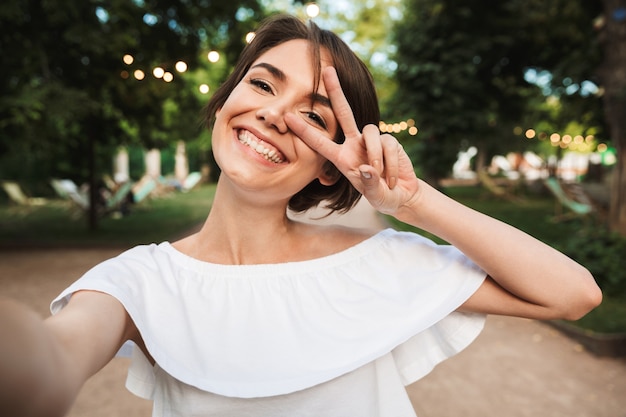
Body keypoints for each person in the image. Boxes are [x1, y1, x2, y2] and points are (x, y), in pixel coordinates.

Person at [0, 14, 601, 417]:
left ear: (329, 167)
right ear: (225, 102)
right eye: (263, 85)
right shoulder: (135, 282)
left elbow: (573, 295)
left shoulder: (380, 262)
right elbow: (50, 367)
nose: (275, 116)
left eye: (314, 117)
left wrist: (414, 203)